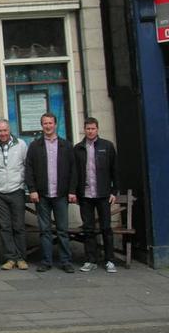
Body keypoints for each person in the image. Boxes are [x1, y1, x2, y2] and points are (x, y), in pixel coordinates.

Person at [25, 112, 77, 273]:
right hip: (42, 195)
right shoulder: (35, 146)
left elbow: (74, 170)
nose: (48, 126)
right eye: (45, 123)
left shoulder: (66, 145)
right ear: (42, 126)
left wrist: (72, 191)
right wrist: (32, 190)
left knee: (62, 230)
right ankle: (46, 261)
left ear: (55, 124)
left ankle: (66, 261)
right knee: (45, 230)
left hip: (61, 194)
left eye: (50, 123)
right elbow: (29, 169)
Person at [75, 117, 119, 274]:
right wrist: (74, 192)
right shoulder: (78, 148)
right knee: (88, 229)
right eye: (88, 128)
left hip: (103, 194)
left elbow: (115, 170)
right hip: (85, 195)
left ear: (97, 129)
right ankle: (90, 260)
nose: (90, 131)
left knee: (106, 228)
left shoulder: (107, 146)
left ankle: (109, 260)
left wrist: (114, 191)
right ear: (84, 130)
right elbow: (75, 173)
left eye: (93, 128)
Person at [0, 118, 29, 270]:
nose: (3, 133)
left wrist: (25, 186)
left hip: (16, 190)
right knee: (4, 227)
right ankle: (11, 258)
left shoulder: (21, 145)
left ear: (9, 130)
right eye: (0, 131)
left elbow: (27, 165)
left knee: (18, 226)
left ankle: (21, 258)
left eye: (5, 130)